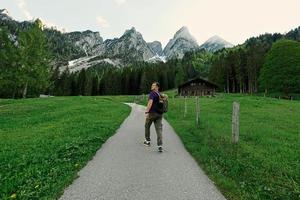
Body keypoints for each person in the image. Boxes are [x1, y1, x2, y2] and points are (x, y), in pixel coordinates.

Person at [144, 82, 163, 152]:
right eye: (152, 85)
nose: (152, 86)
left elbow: (150, 102)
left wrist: (147, 111)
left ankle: (147, 141)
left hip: (152, 113)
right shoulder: (160, 94)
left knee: (147, 126)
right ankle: (160, 145)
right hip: (159, 114)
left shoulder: (152, 93)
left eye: (153, 85)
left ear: (157, 87)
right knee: (159, 129)